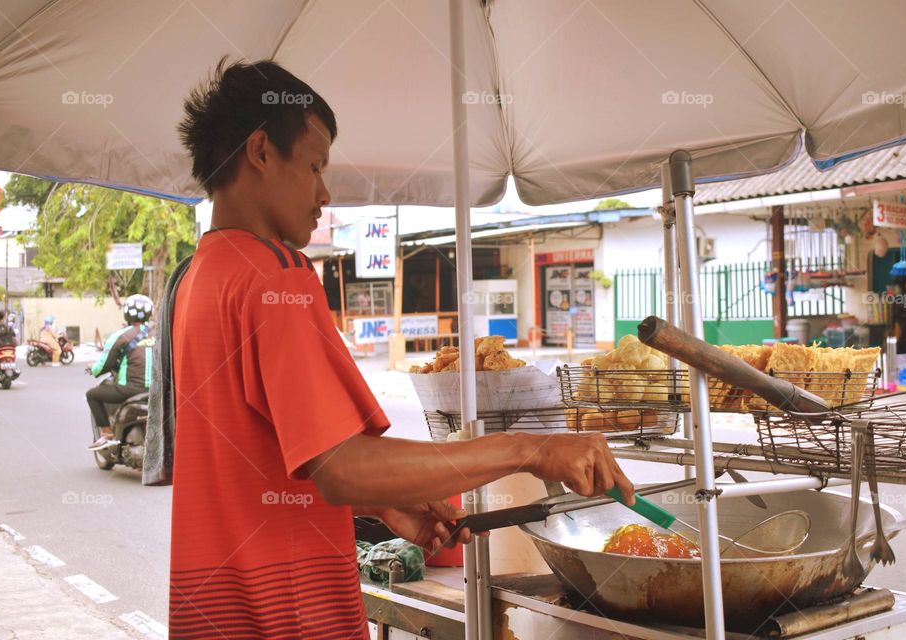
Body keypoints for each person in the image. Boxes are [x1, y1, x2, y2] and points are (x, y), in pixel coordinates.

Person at [166, 58, 635, 639]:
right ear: (261, 151)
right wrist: (531, 449)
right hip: (288, 617)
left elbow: (272, 458)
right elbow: (343, 466)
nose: (323, 192)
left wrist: (383, 504)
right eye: (313, 166)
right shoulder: (277, 277)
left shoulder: (199, 277)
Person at [86, 295, 155, 451]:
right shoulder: (160, 333)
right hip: (159, 389)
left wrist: (93, 369)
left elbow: (104, 365)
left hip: (130, 390)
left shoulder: (120, 336)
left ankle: (107, 433)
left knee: (92, 395)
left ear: (127, 314)